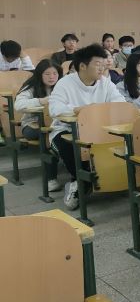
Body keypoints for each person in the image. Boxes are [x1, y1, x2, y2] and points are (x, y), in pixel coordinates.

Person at [48, 44, 125, 209]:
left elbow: (120, 103)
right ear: (82, 66)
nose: (102, 68)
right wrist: (79, 110)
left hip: (97, 130)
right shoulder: (65, 83)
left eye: (103, 64)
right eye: (97, 64)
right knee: (71, 148)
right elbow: (54, 109)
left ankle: (80, 184)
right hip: (66, 130)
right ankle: (79, 183)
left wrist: (97, 111)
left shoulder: (105, 83)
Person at [15, 60, 63, 191]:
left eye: (55, 73)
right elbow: (18, 105)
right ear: (40, 74)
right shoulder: (31, 87)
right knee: (47, 134)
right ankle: (51, 179)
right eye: (47, 74)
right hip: (32, 125)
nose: (52, 77)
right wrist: (41, 101)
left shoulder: (62, 86)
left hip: (56, 124)